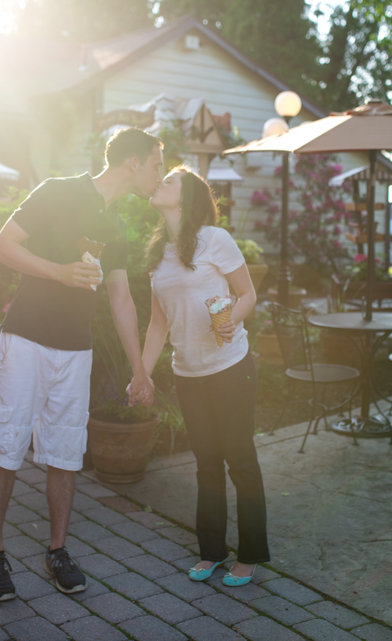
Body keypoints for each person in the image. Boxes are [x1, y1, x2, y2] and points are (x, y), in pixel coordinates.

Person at [0, 128, 161, 601]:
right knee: (6, 442)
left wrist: (140, 369)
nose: (160, 173)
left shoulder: (117, 223)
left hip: (76, 349)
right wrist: (58, 271)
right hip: (25, 339)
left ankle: (57, 551)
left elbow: (120, 297)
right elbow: (2, 246)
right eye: (158, 163)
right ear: (134, 162)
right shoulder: (57, 190)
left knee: (64, 450)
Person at [139, 166, 269, 587]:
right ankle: (212, 551)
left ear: (189, 195)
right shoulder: (158, 253)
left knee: (240, 460)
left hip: (230, 367)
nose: (161, 181)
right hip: (187, 372)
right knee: (207, 464)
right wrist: (141, 373)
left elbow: (247, 293)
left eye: (171, 179)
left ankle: (250, 553)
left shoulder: (215, 239)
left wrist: (229, 318)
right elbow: (158, 324)